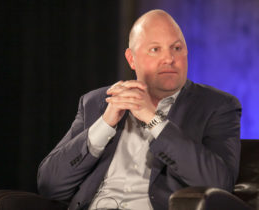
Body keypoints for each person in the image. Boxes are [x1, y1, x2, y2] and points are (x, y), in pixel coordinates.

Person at [37, 9, 242, 210]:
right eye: (155, 49)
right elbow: (49, 185)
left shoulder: (217, 106)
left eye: (177, 48)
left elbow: (219, 185)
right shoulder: (97, 102)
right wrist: (105, 123)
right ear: (131, 59)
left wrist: (153, 120)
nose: (169, 58)